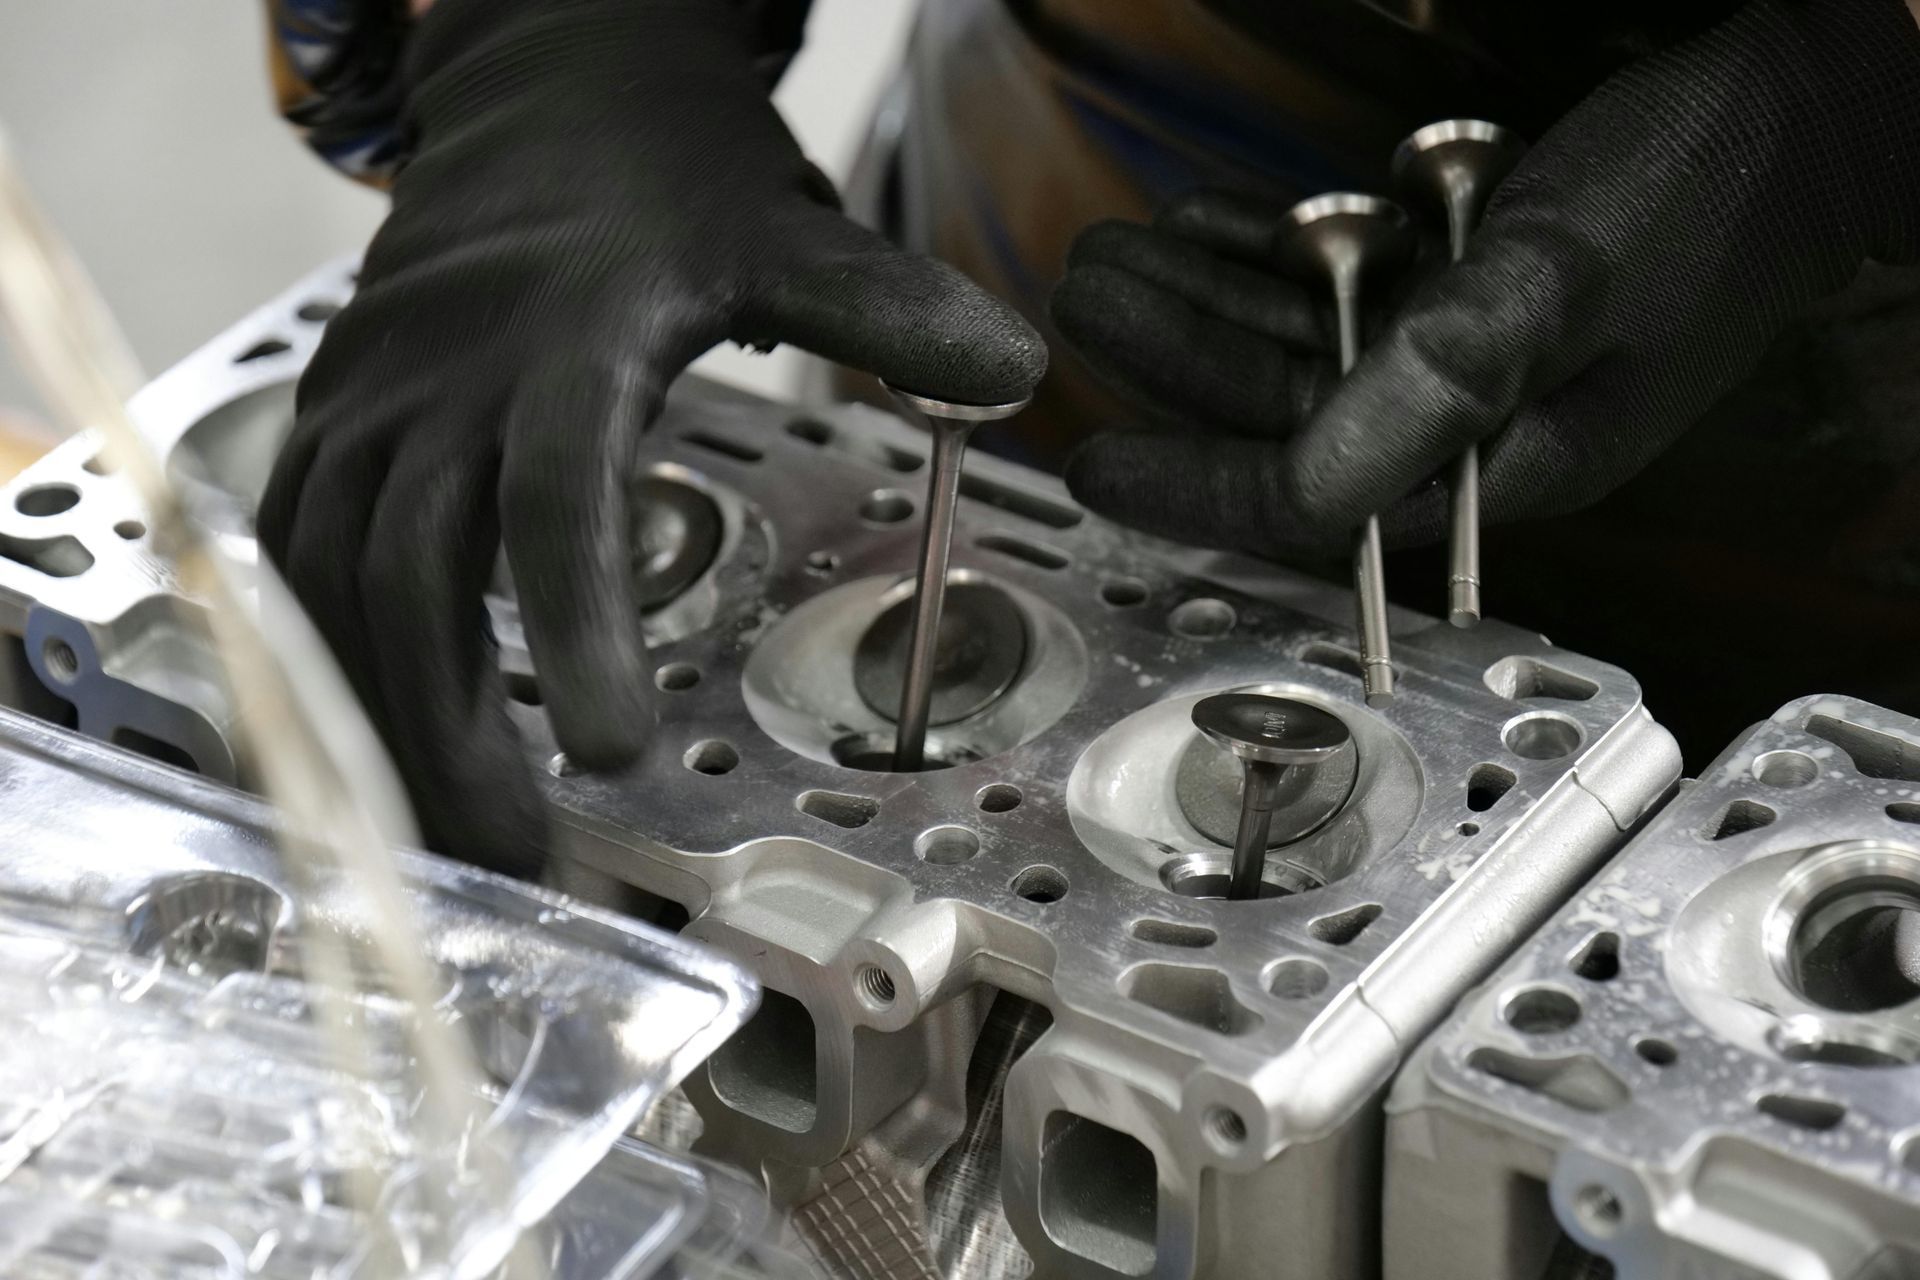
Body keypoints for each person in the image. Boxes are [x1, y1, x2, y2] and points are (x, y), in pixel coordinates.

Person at [261, 0, 1920, 875]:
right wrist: (551, 30)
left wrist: (1858, 104)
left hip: (1840, 433)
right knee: (956, 643)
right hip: (1103, 132)